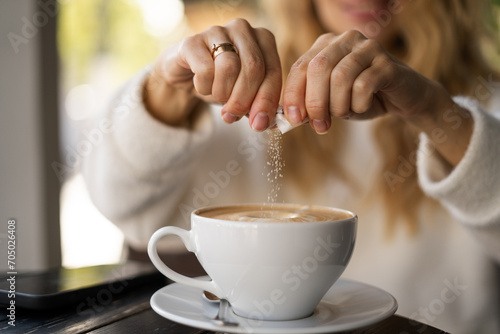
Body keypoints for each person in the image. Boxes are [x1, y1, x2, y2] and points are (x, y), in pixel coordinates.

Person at [82, 0, 500, 332]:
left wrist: (434, 110)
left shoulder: (486, 102)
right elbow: (123, 206)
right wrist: (164, 88)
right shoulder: (247, 92)